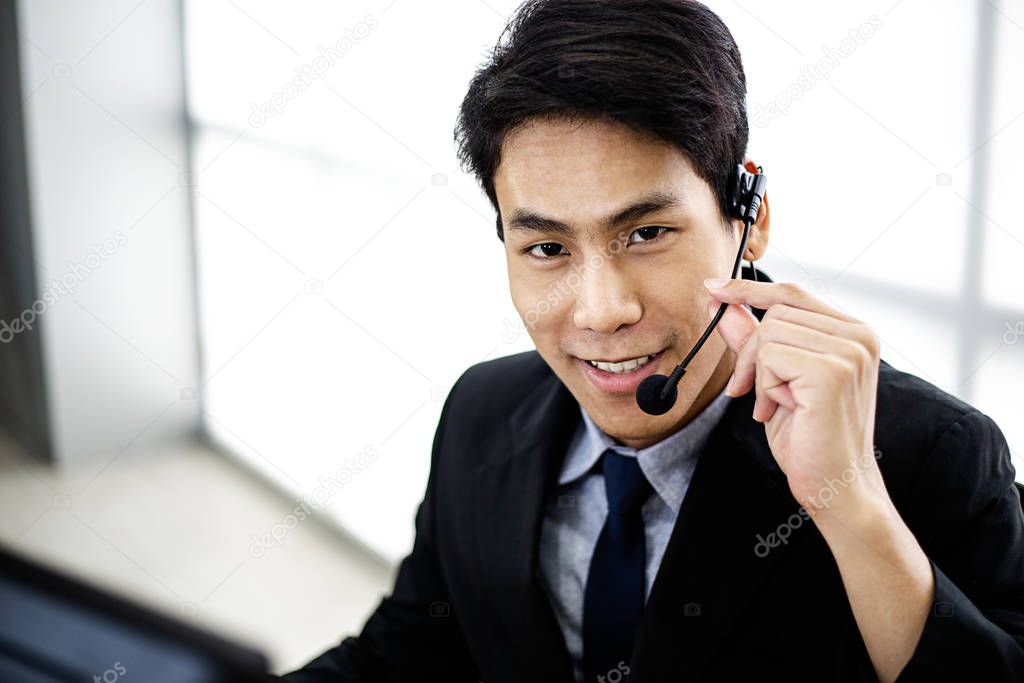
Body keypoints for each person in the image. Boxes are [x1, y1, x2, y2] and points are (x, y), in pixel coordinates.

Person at [282, 1, 1024, 680]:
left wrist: (855, 505)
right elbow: (408, 654)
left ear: (750, 217)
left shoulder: (936, 454)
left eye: (647, 233)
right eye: (547, 248)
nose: (602, 312)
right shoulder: (481, 410)